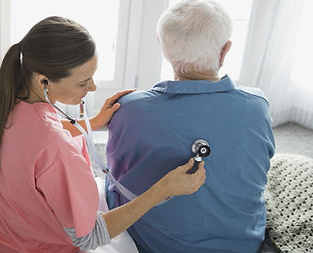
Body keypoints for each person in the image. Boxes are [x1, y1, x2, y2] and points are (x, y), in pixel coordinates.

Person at [0, 16, 206, 253]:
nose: (93, 88)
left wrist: (94, 122)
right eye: (83, 82)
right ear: (44, 81)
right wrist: (164, 189)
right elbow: (89, 236)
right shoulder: (57, 149)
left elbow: (29, 139)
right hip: (24, 246)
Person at [105, 1, 275, 253]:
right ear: (225, 50)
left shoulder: (128, 107)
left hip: (154, 245)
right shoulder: (257, 105)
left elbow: (116, 174)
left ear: (162, 45)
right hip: (243, 245)